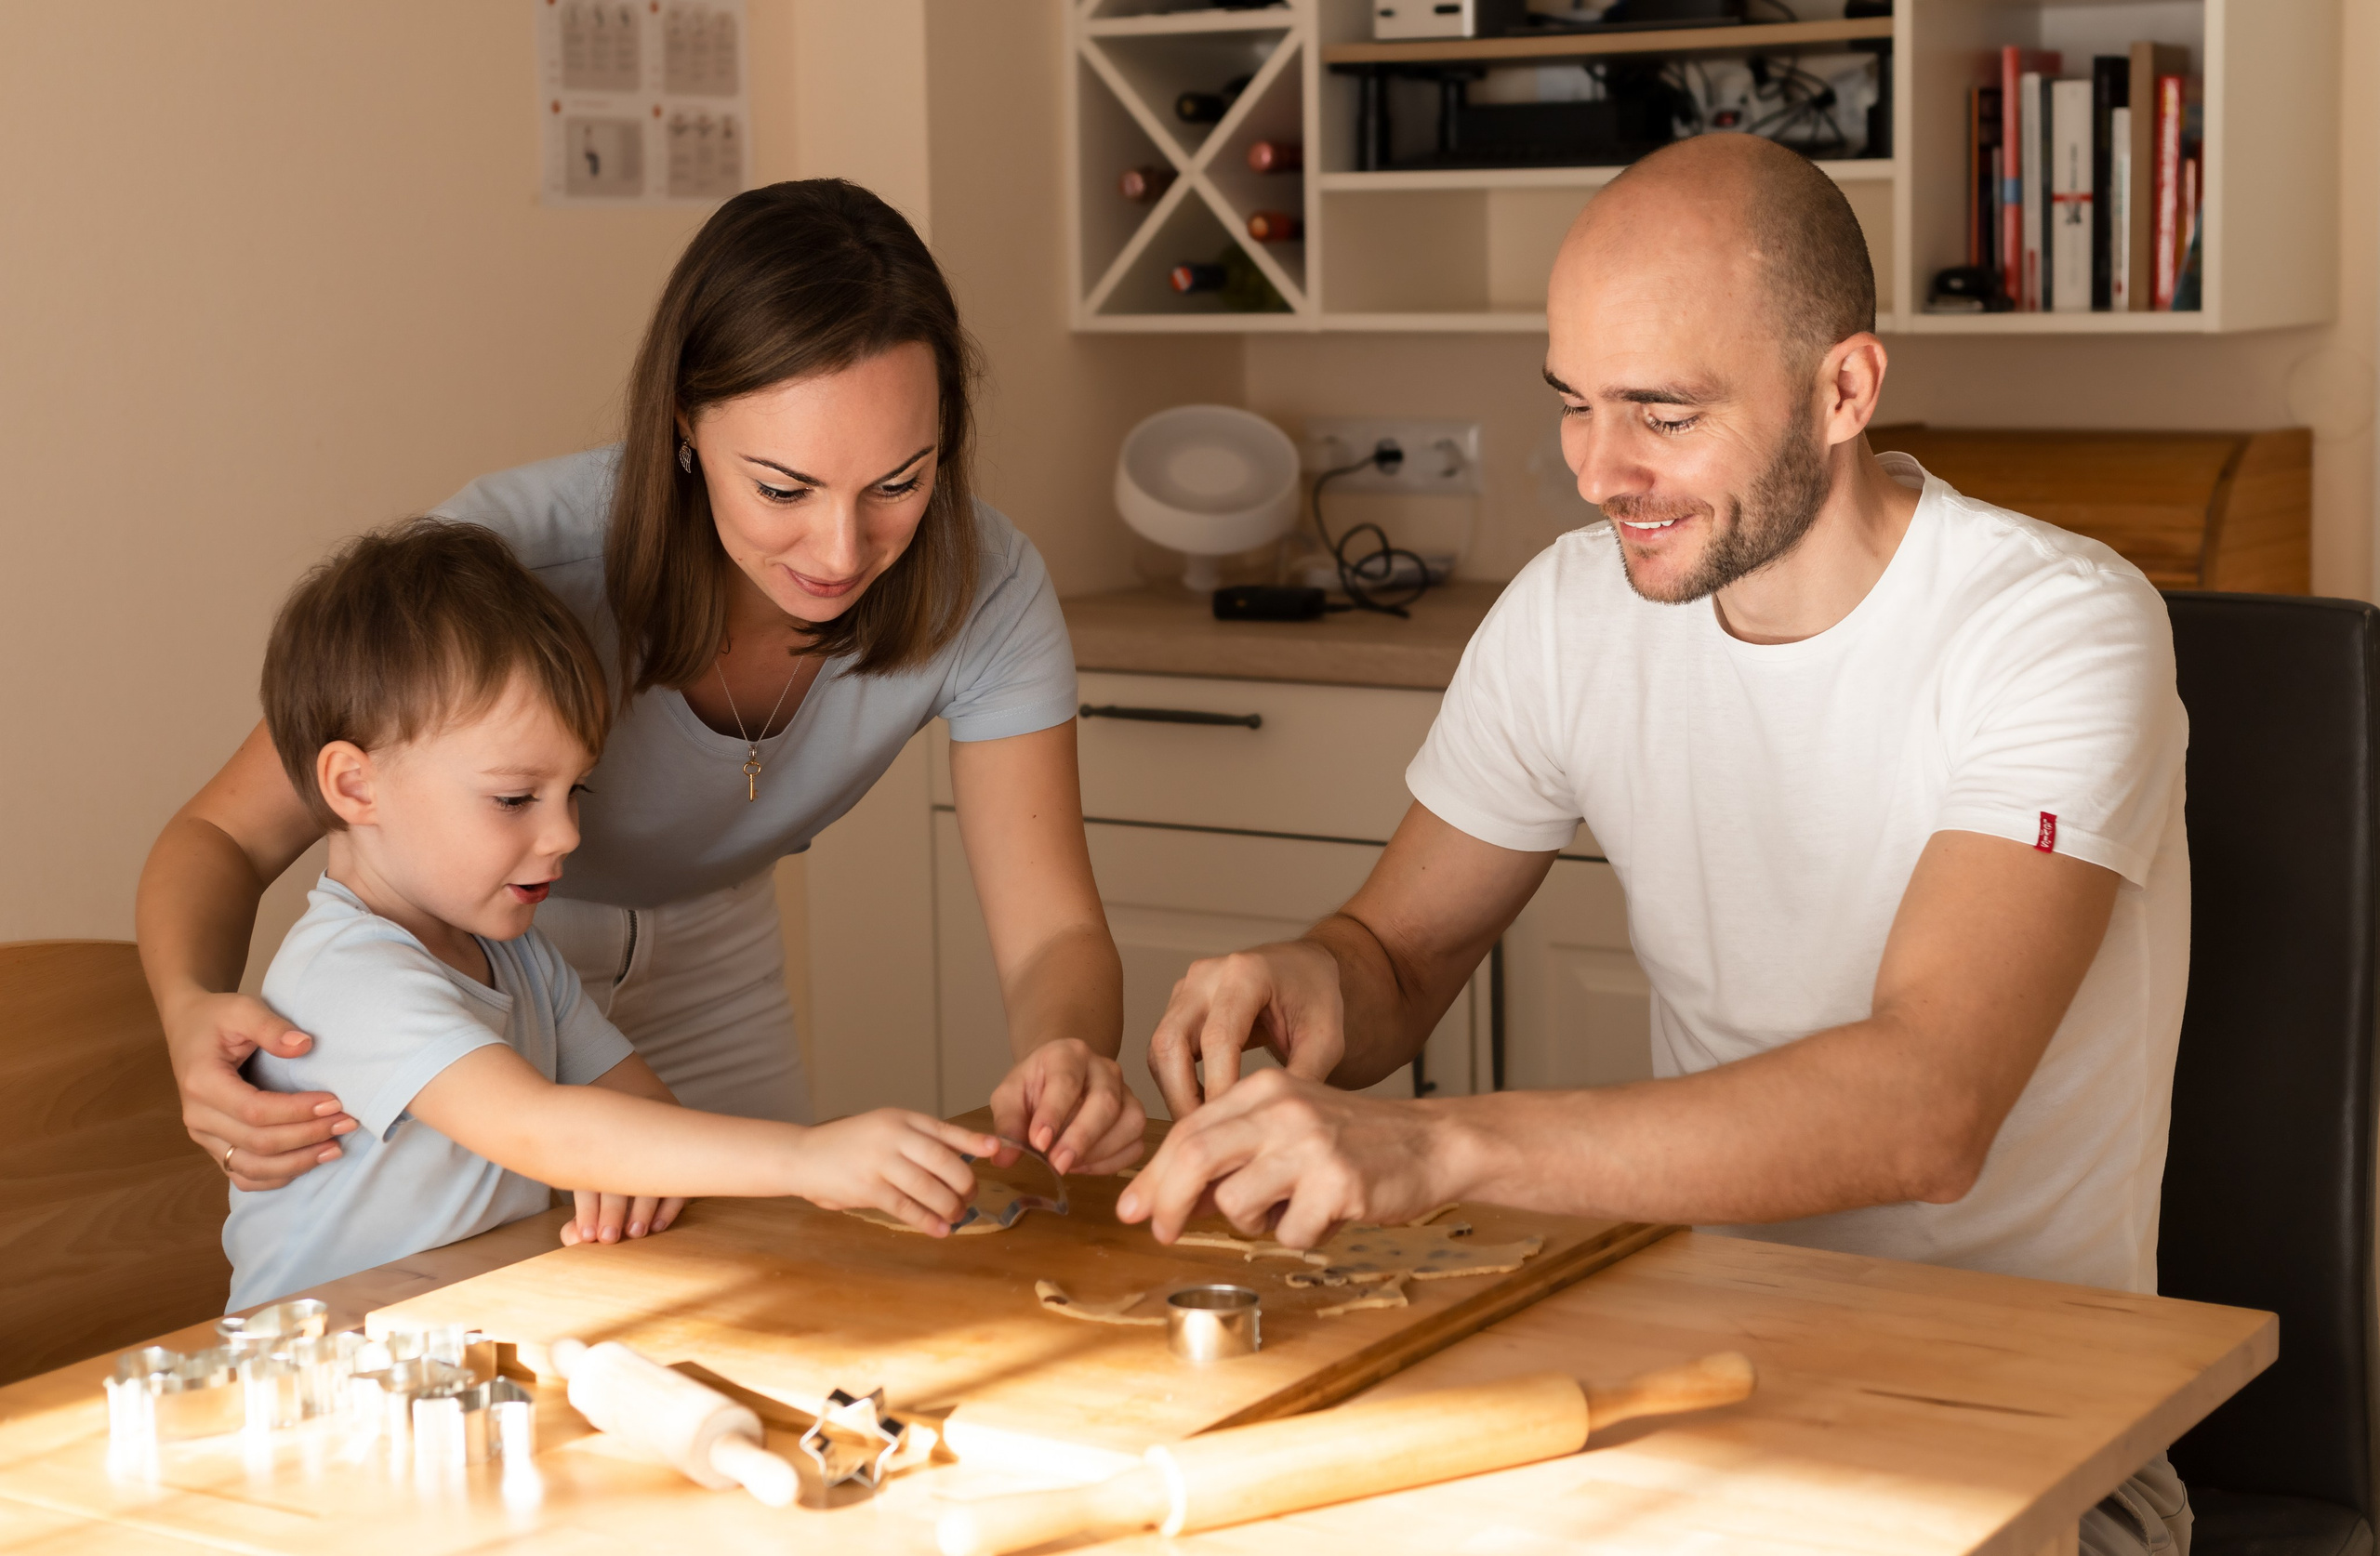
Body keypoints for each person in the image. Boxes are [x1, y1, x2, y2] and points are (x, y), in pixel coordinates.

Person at [1116, 136, 2192, 1556]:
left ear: (1844, 390)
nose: (1595, 471)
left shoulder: (2055, 629)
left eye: (1662, 415)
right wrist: (1302, 979)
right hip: (1685, 1369)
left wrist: (1435, 1148)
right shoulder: (1573, 614)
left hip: (2033, 1426)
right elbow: (1396, 952)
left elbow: (1928, 1107)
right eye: (1571, 403)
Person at [139, 179, 1144, 1199]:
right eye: (782, 489)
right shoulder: (518, 568)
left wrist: (1068, 1056)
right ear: (683, 426)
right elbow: (224, 833)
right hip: (494, 939)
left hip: (712, 943)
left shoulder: (986, 586)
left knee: (742, 1274)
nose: (842, 552)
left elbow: (1055, 933)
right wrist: (187, 1009)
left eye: (899, 484)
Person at [228, 519, 999, 1311]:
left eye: (574, 793)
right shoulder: (350, 975)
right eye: (515, 799)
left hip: (456, 1340)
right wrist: (808, 1157)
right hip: (316, 1380)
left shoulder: (519, 957)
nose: (564, 835)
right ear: (356, 788)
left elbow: (639, 1109)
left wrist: (633, 1172)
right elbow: (538, 1128)